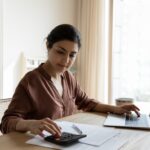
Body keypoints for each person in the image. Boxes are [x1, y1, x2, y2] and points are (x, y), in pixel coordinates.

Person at [0, 24, 140, 138]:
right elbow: (6, 123)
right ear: (48, 46)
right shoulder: (31, 81)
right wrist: (30, 124)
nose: (66, 61)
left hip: (68, 143)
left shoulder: (68, 77)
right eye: (60, 52)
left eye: (72, 55)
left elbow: (86, 102)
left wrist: (116, 109)